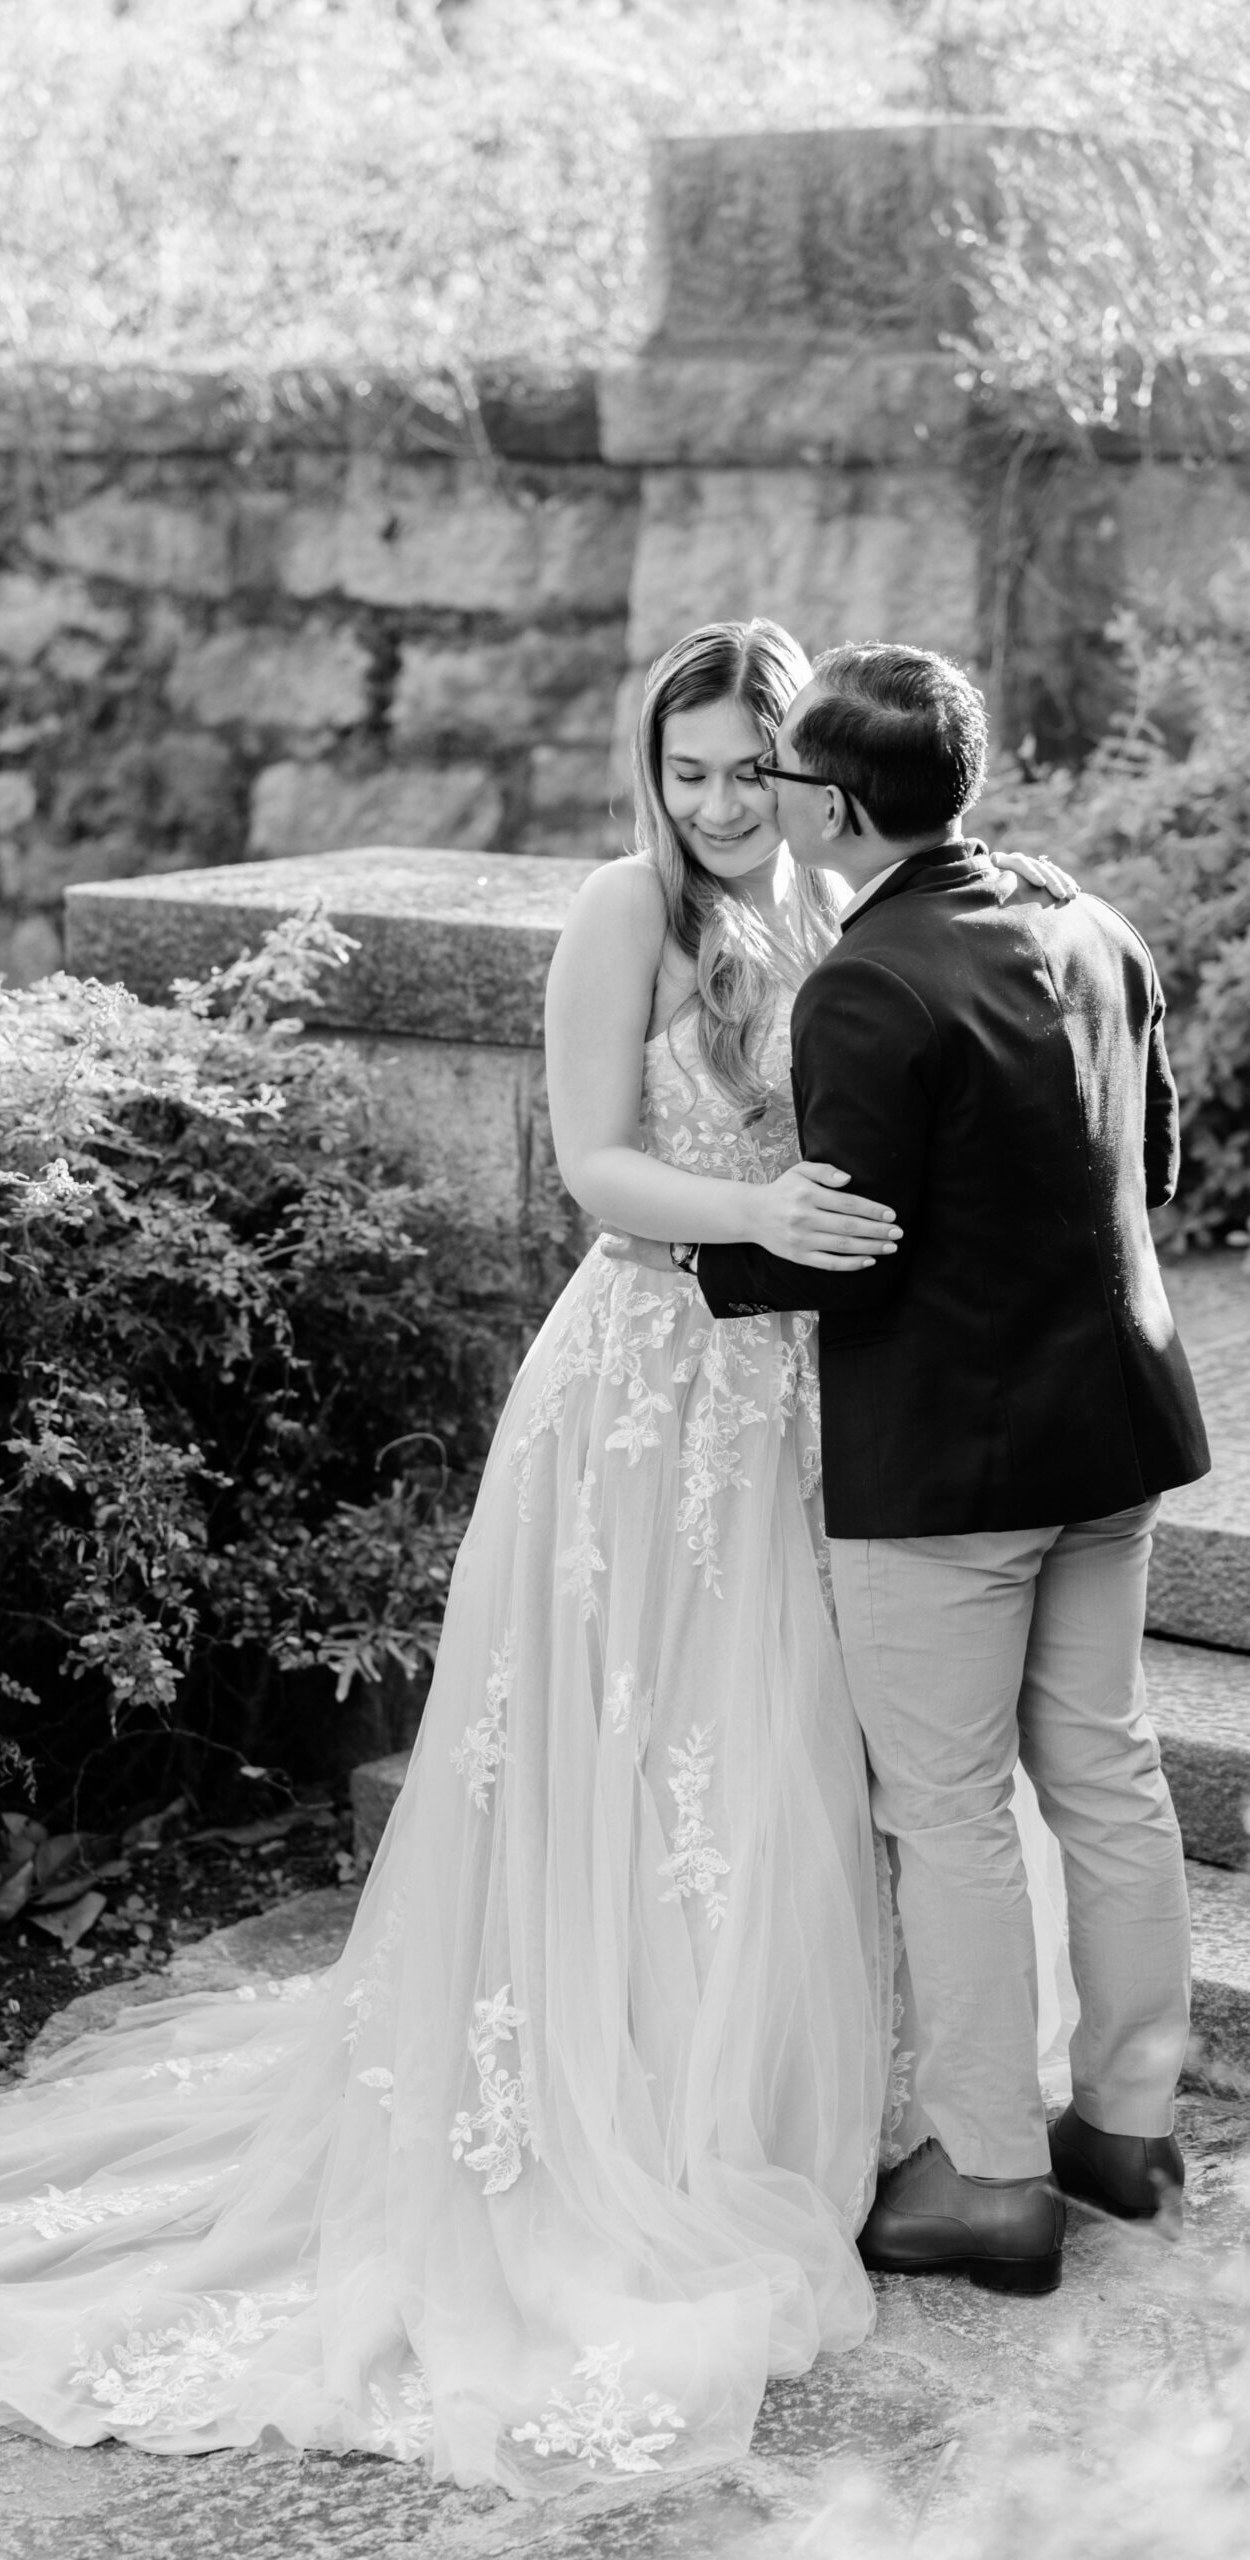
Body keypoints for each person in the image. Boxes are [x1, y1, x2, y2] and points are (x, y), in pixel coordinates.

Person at [0, 621, 1065, 2493]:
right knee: (645, 1751)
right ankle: (630, 2109)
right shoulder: (624, 920)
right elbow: (598, 1166)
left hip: (811, 1399)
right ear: (651, 770)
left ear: (804, 774)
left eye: (746, 772)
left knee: (793, 1745)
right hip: (648, 1384)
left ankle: (827, 2091)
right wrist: (758, 1207)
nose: (716, 806)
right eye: (685, 771)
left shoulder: (837, 907)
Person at [663, 641, 1210, 2291]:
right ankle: (1124, 2125)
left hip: (952, 1475)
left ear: (832, 803)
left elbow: (847, 1252)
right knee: (1108, 1772)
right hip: (1113, 1434)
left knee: (951, 1807)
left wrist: (707, 1260)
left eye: (782, 781)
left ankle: (987, 2178)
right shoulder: (1087, 922)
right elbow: (1157, 1163)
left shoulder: (869, 980)